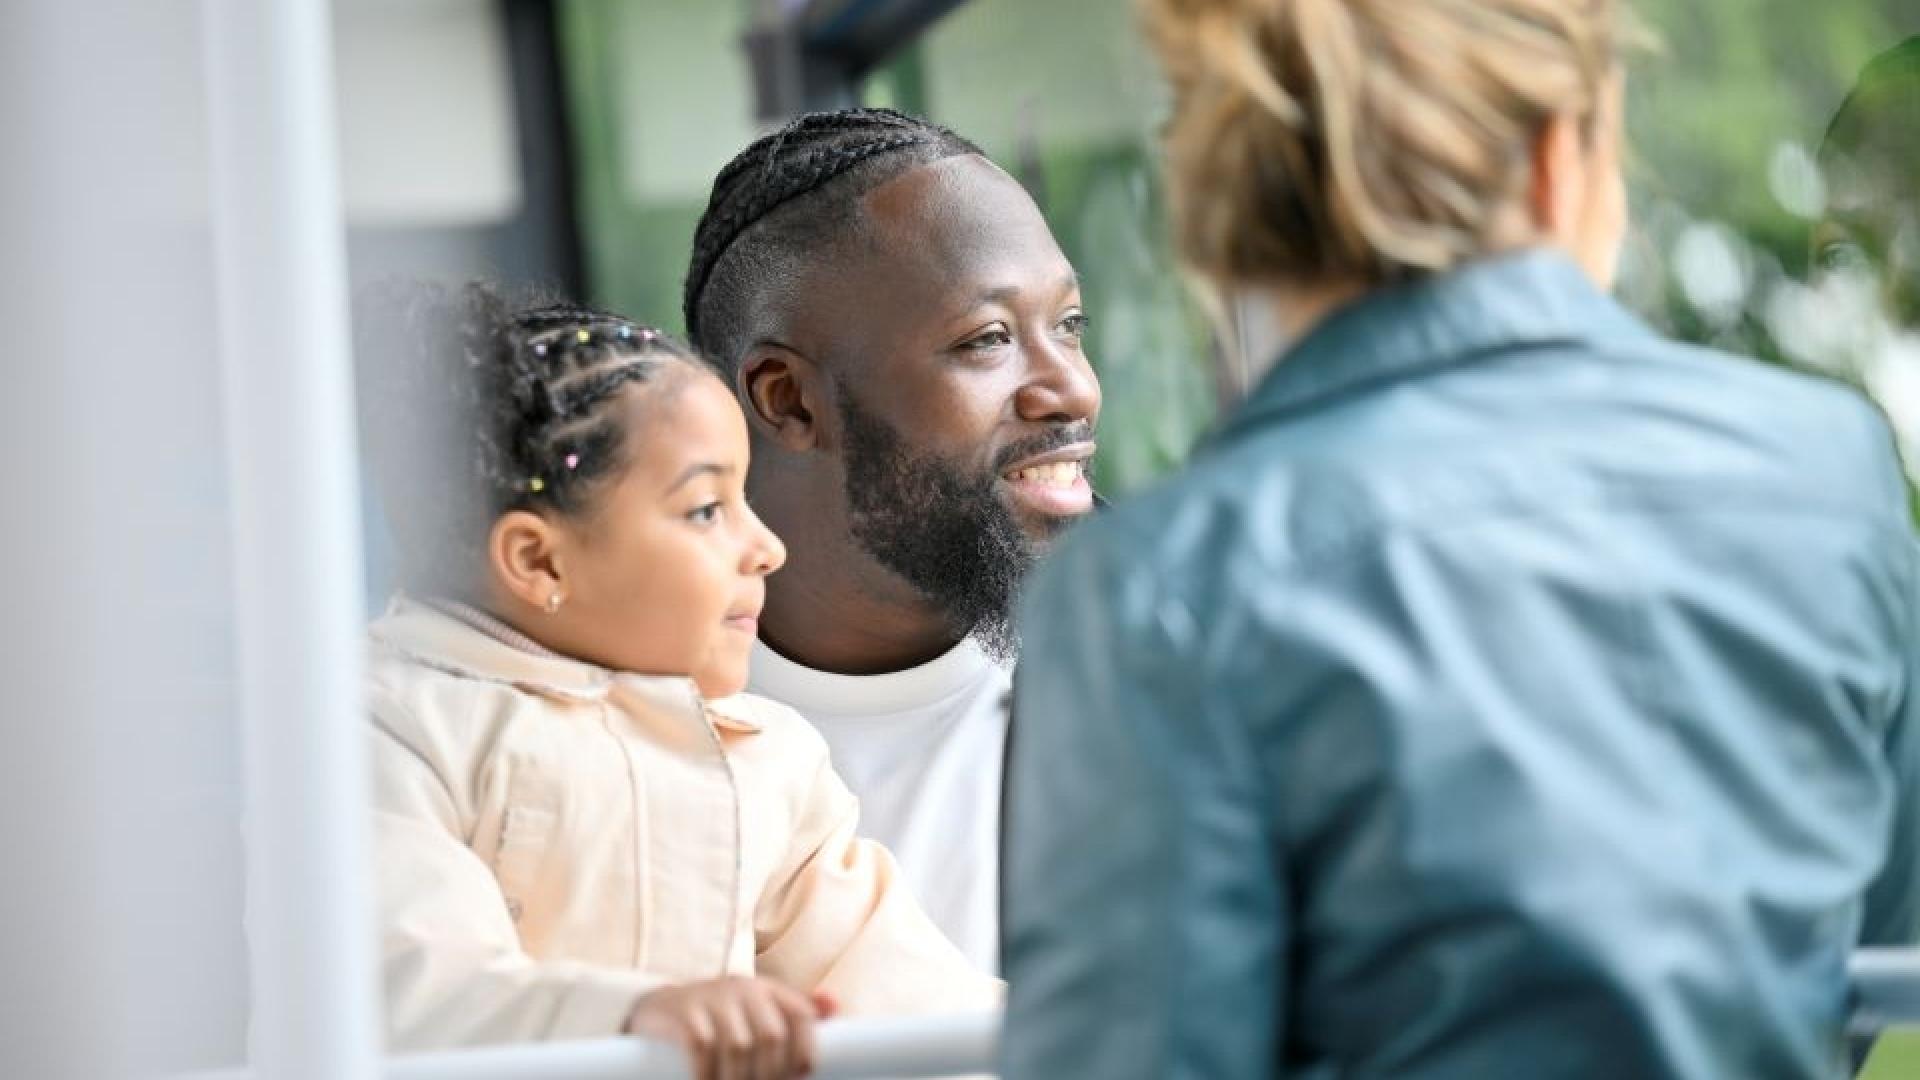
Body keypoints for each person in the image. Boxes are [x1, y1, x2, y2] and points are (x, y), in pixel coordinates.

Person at [1000, 1, 1920, 1078]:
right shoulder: (1830, 472)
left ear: (1223, 216)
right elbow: (1863, 944)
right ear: (1561, 158)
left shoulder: (1161, 586)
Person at [355, 286, 999, 1076]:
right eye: (705, 510)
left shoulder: (764, 757)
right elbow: (412, 987)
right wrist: (632, 1019)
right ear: (538, 560)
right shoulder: (384, 727)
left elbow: (904, 987)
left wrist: (1078, 1029)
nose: (767, 548)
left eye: (743, 499)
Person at [682, 107, 1102, 972]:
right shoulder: (624, 731)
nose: (1072, 390)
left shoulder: (1180, 660)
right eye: (989, 339)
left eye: (1068, 324)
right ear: (788, 400)